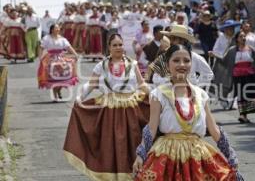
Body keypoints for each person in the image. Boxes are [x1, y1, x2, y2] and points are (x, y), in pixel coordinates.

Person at [133, 44, 242, 180]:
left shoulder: (200, 94)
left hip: (197, 156)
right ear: (167, 65)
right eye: (176, 60)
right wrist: (141, 154)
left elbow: (213, 129)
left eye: (186, 60)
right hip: (167, 156)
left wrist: (230, 154)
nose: (182, 64)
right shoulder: (159, 94)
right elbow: (151, 128)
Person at [63, 33, 150, 181]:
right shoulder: (101, 66)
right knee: (111, 143)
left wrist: (156, 96)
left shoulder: (132, 64)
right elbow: (91, 84)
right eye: (114, 45)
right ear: (108, 47)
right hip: (110, 110)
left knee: (133, 141)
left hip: (131, 108)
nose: (118, 48)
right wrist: (79, 98)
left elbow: (141, 85)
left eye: (120, 44)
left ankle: (133, 174)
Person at [215, 31, 255, 123]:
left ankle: (244, 115)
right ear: (237, 39)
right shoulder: (232, 50)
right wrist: (215, 56)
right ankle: (242, 115)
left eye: (244, 36)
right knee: (241, 95)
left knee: (248, 94)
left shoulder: (251, 50)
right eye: (241, 36)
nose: (243, 38)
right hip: (237, 76)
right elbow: (224, 61)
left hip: (250, 75)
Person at [147, 25, 213, 88]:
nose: (171, 41)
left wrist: (196, 87)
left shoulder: (194, 57)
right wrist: (168, 82)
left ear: (183, 41)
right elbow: (155, 78)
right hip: (167, 94)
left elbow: (208, 74)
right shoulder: (164, 56)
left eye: (174, 39)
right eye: (171, 38)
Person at [37, 24, 78, 102]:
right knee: (53, 78)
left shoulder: (62, 39)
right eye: (56, 28)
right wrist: (40, 57)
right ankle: (55, 96)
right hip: (50, 58)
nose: (58, 29)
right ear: (52, 30)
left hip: (61, 58)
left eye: (58, 28)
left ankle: (59, 89)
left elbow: (68, 47)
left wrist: (75, 54)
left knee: (64, 76)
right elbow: (41, 47)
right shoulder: (46, 38)